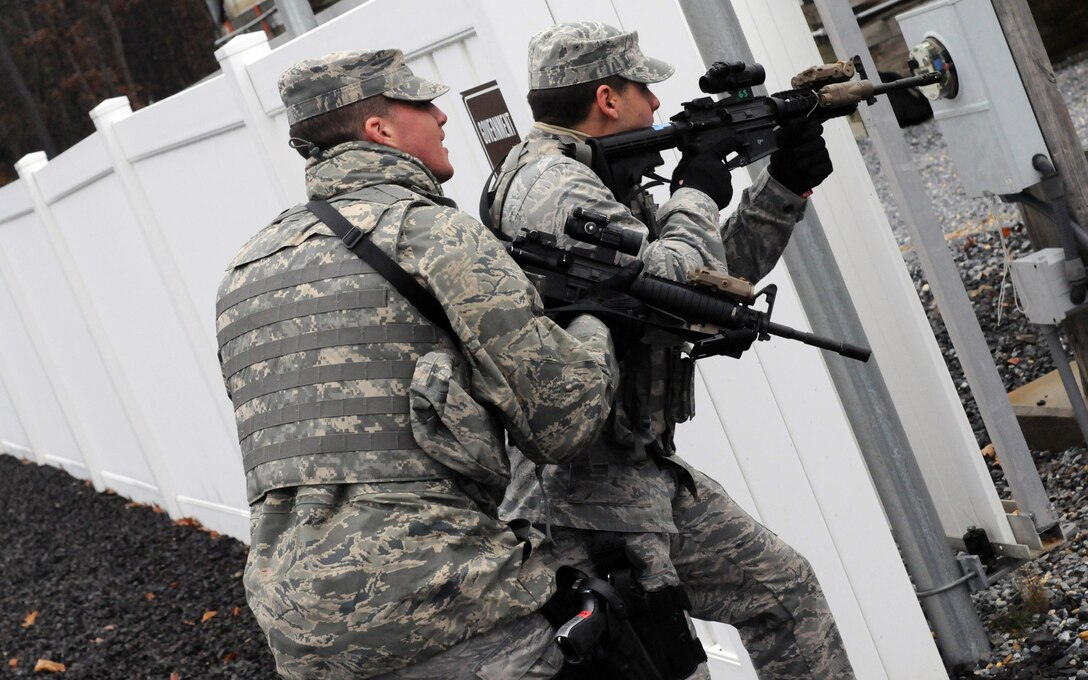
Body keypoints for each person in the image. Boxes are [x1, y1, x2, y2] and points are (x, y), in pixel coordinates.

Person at [214, 49, 621, 679]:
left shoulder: (246, 270)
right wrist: (592, 322)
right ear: (380, 129)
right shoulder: (433, 233)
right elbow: (565, 421)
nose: (441, 115)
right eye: (421, 103)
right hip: (437, 602)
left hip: (300, 630)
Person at [488, 22, 855, 679]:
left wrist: (782, 188)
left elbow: (707, 278)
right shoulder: (550, 188)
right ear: (607, 98)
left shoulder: (592, 177)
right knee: (664, 664)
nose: (657, 105)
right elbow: (666, 281)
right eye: (645, 90)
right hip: (583, 503)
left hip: (635, 471)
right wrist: (697, 190)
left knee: (785, 591)